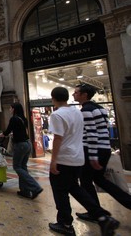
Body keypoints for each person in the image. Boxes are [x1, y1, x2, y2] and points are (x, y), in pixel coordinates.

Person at [48, 86, 119, 235]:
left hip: (64, 158)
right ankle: (102, 217)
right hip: (78, 158)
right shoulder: (77, 112)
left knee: (60, 191)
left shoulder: (57, 115)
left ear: (53, 98)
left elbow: (58, 138)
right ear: (67, 97)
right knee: (76, 188)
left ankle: (65, 223)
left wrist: (53, 160)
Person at [72, 84, 131, 221]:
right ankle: (127, 201)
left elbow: (92, 134)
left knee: (85, 181)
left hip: (93, 149)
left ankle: (95, 212)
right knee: (100, 179)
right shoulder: (100, 109)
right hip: (104, 148)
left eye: (76, 92)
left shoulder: (86, 110)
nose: (74, 95)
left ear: (84, 95)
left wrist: (92, 155)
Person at [0, 102, 43, 199]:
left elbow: (6, 132)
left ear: (14, 109)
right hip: (27, 144)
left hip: (20, 145)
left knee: (17, 167)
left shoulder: (14, 118)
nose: (9, 109)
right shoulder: (23, 118)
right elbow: (20, 131)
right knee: (23, 167)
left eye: (10, 108)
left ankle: (35, 187)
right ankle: (24, 190)